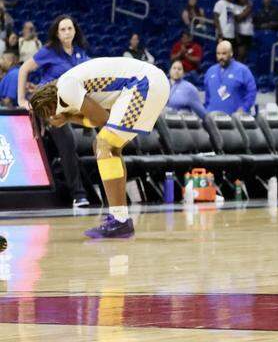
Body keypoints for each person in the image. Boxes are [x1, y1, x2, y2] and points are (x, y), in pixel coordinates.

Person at [27, 57, 169, 239]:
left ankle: (120, 220)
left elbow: (102, 119)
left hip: (143, 83)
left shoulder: (66, 89)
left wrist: (69, 117)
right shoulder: (66, 86)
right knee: (107, 146)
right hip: (149, 82)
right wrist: (70, 118)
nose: (50, 119)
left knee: (105, 144)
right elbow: (96, 119)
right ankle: (119, 217)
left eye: (47, 115)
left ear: (50, 106)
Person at [16, 15, 92, 206]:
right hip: (48, 103)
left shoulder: (81, 54)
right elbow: (24, 69)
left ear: (75, 31)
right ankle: (78, 194)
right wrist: (21, 99)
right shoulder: (49, 51)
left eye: (69, 28)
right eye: (62, 29)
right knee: (67, 141)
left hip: (72, 105)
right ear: (57, 33)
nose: (67, 32)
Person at [203, 40, 257, 115]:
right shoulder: (210, 71)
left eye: (224, 53)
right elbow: (207, 96)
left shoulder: (243, 70)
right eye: (218, 54)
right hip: (212, 118)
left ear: (231, 53)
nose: (221, 57)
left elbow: (251, 92)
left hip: (234, 119)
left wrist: (244, 108)